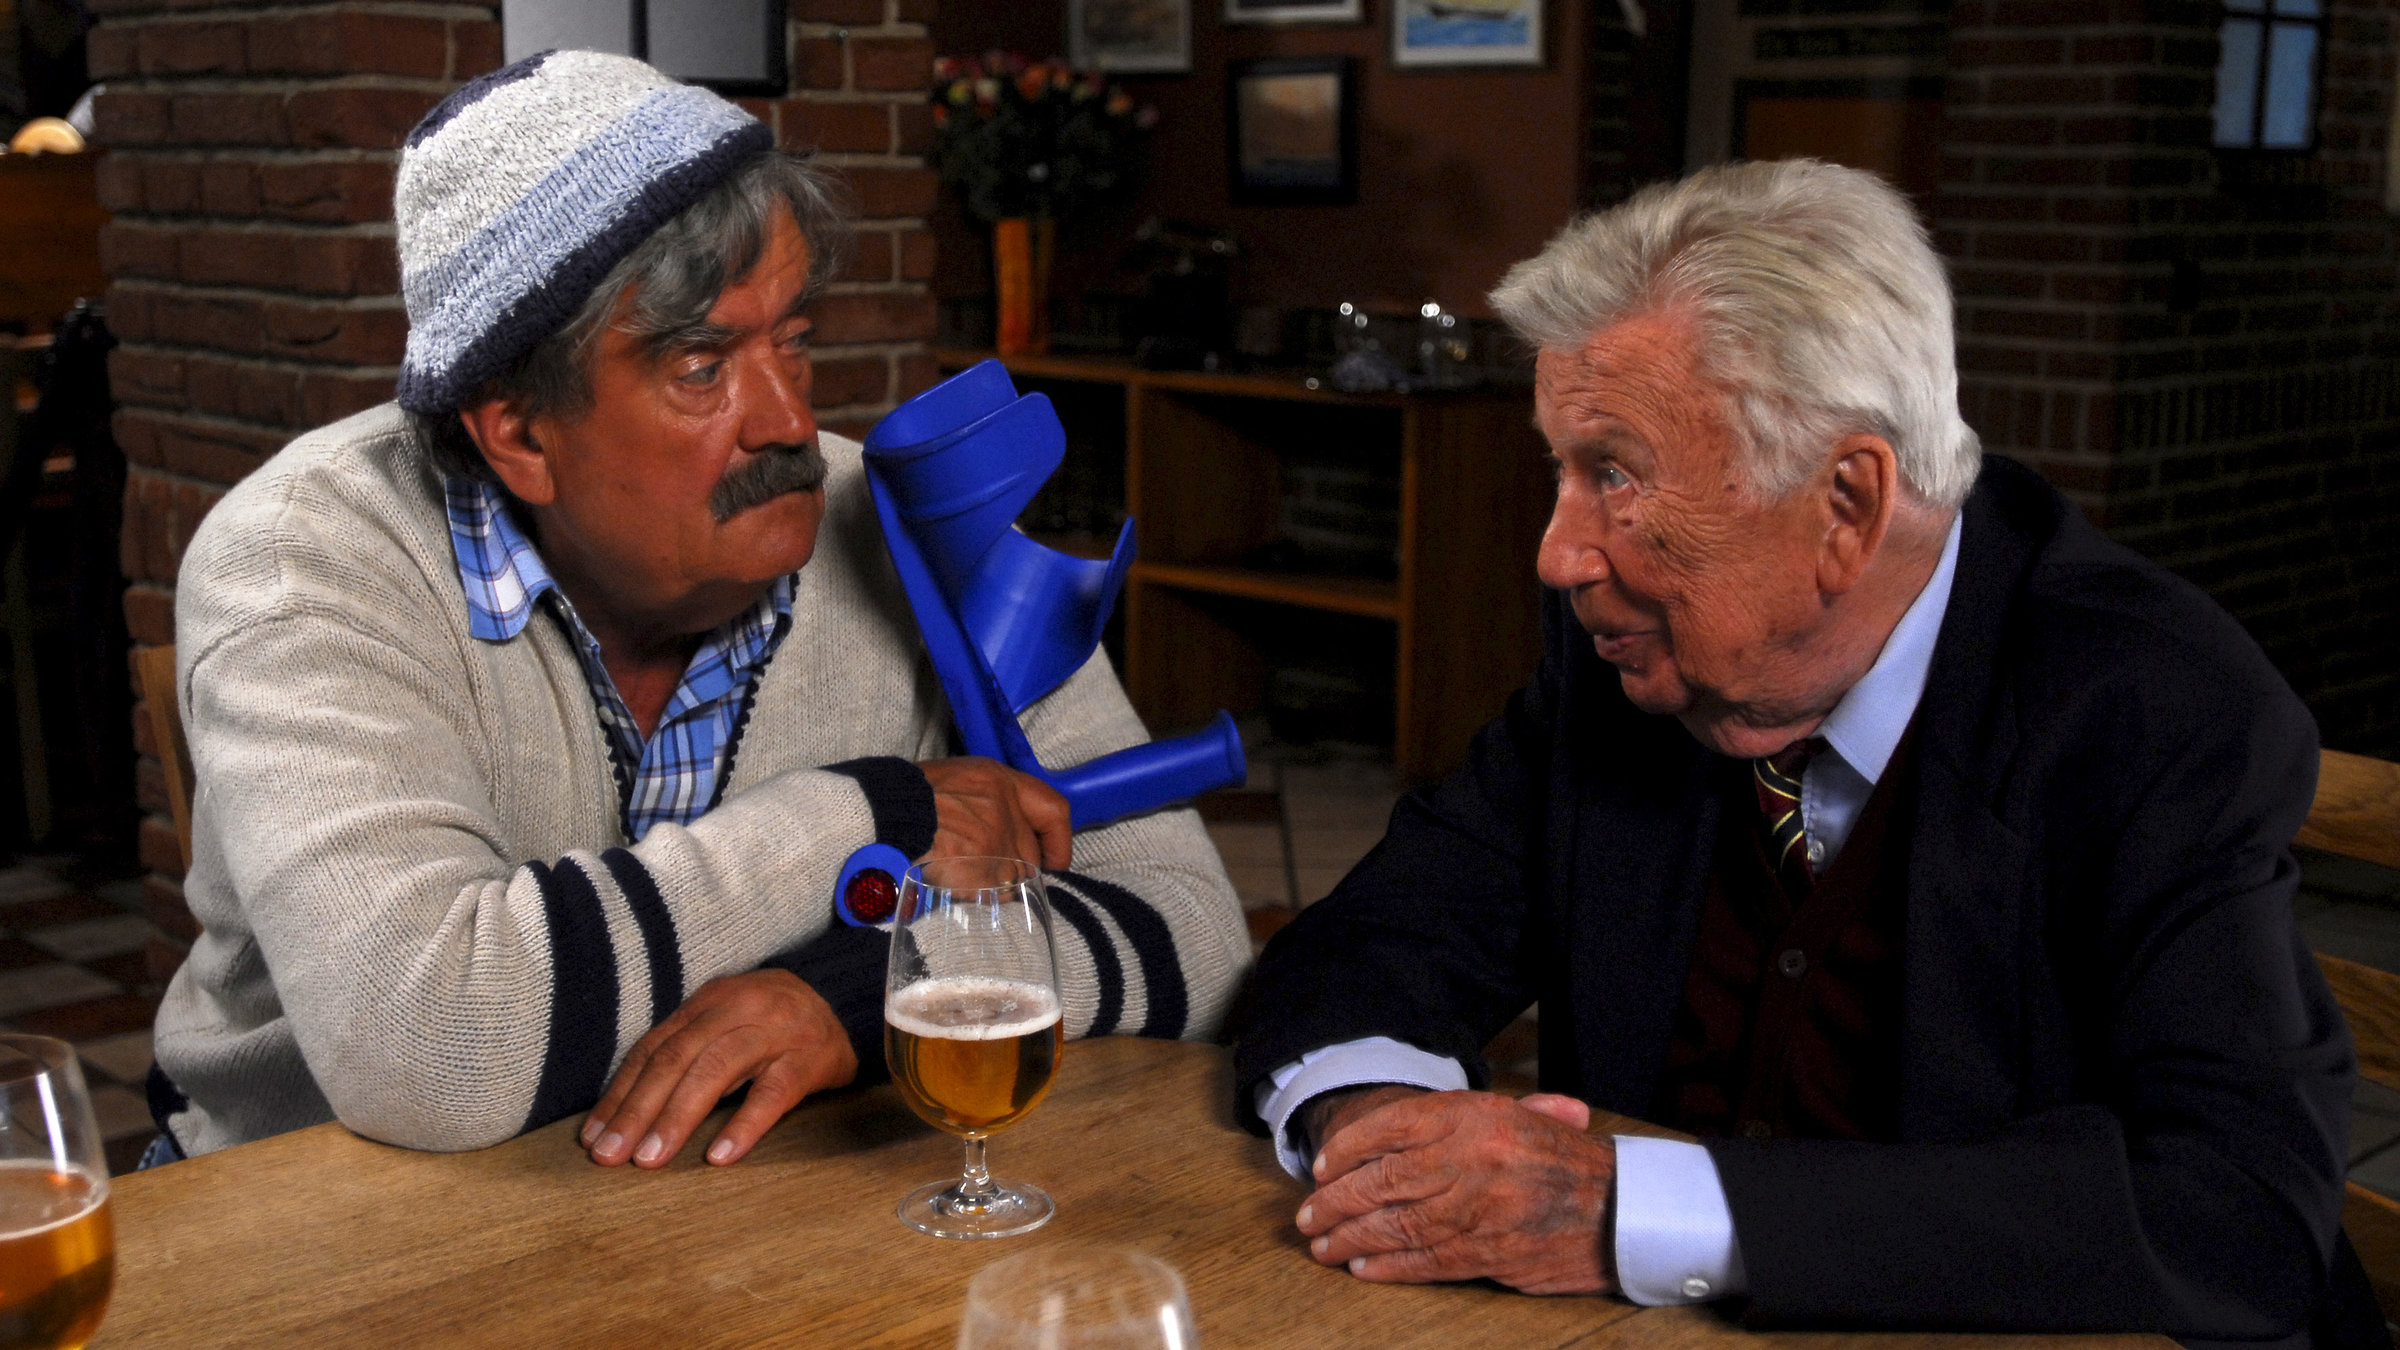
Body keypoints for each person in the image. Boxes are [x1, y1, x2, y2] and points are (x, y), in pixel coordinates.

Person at [1234, 158, 2372, 1347]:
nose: (1558, 553)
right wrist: (1384, 1138)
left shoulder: (2154, 707)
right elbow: (1375, 940)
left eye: (1614, 473)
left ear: (1848, 503)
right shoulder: (1626, 656)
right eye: (1560, 469)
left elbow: (2239, 1210)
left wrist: (1630, 1210)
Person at [148, 51, 1247, 1169]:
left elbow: (1195, 935)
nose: (787, 422)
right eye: (701, 366)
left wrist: (856, 1001)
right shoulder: (306, 560)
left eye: (793, 342)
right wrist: (882, 816)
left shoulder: (902, 519)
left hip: (739, 1216)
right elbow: (433, 1046)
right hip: (314, 1229)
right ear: (518, 431)